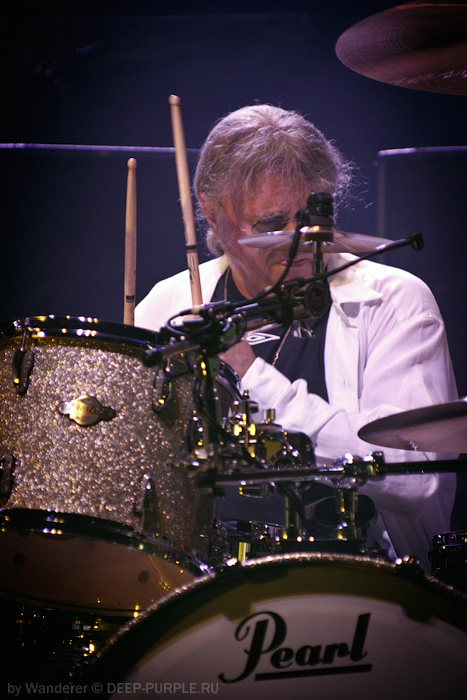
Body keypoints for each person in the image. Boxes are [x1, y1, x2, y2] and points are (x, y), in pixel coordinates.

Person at [136, 104, 458, 572]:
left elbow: (417, 480)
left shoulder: (394, 301)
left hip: (362, 580)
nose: (299, 239)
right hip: (196, 583)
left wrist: (251, 377)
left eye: (312, 217)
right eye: (270, 224)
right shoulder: (168, 306)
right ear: (211, 211)